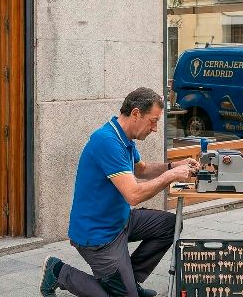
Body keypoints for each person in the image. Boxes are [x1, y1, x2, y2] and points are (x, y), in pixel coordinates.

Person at [40, 87, 198, 297]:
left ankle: (128, 281)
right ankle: (58, 271)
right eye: (153, 121)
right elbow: (133, 195)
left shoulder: (124, 138)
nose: (155, 129)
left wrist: (174, 166)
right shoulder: (107, 141)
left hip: (120, 221)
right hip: (98, 236)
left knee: (171, 225)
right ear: (135, 113)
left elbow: (140, 169)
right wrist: (171, 176)